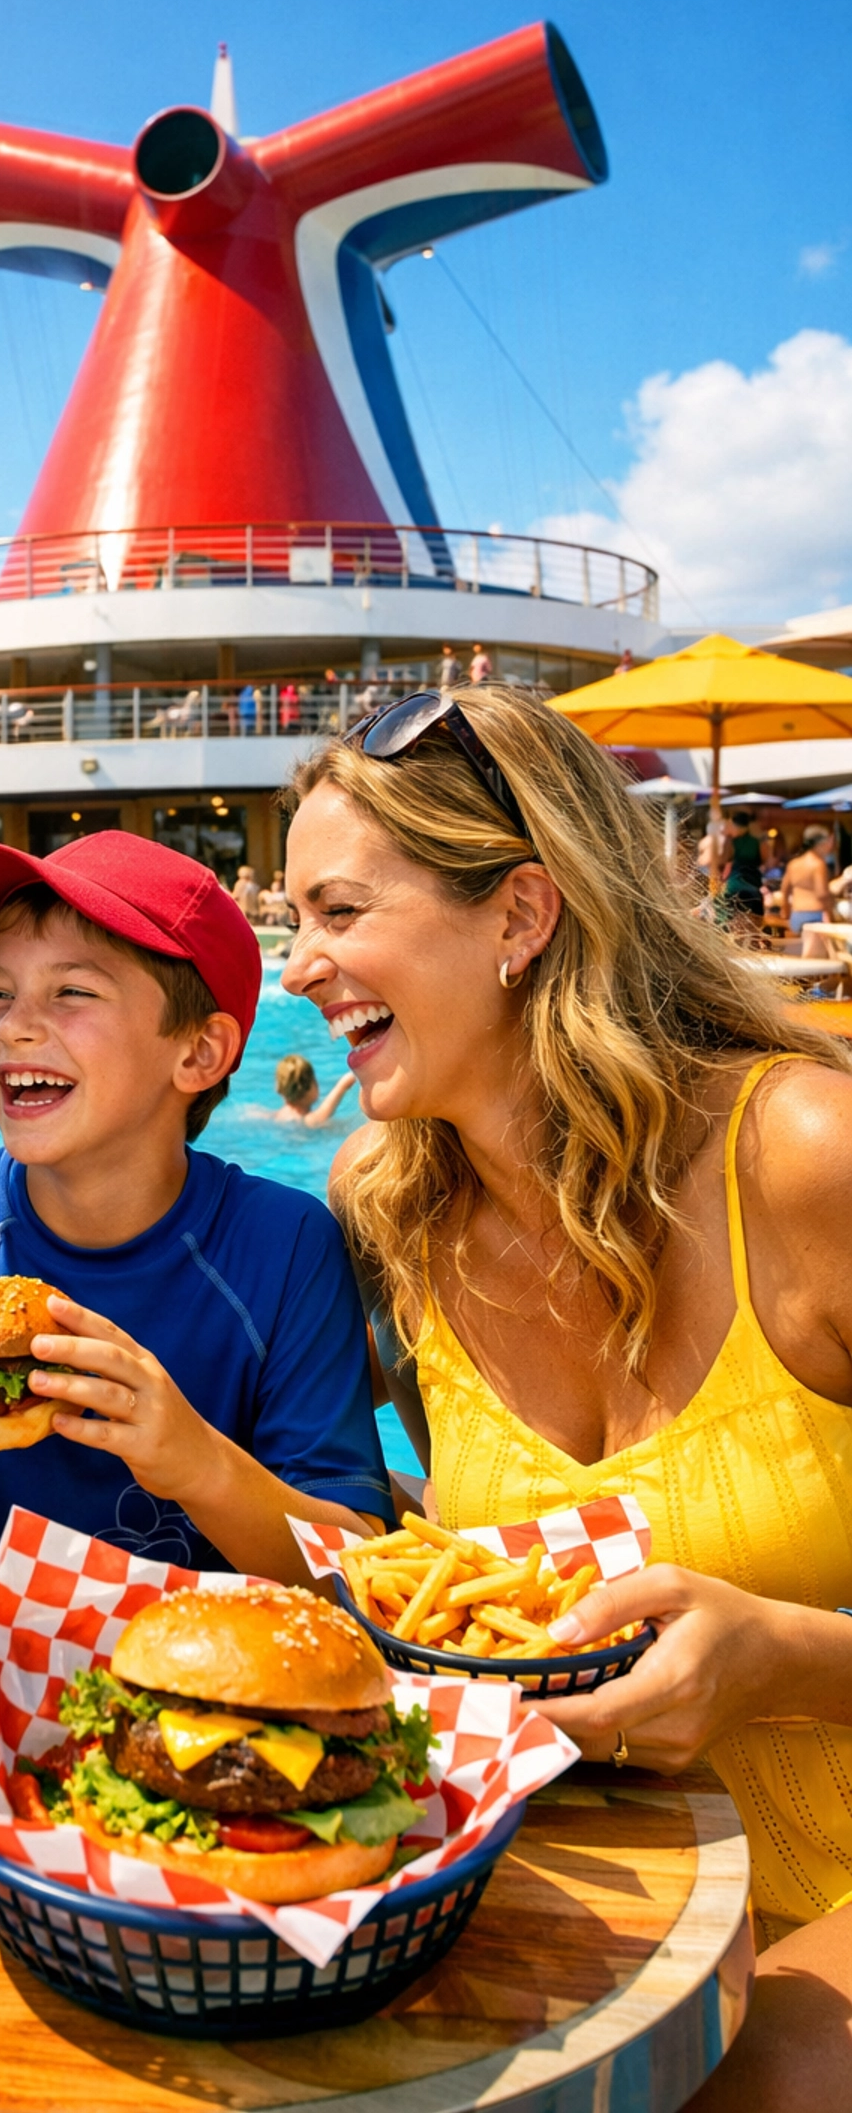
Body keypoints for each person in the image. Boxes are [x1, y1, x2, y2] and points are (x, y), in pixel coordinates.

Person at [278, 683, 852, 2064]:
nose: (297, 967)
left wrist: (784, 1653)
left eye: (341, 914)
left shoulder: (807, 1155)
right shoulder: (388, 1208)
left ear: (522, 917)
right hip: (574, 1907)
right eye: (295, 917)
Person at [0, 832, 390, 1582]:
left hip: (196, 1672)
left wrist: (198, 1465)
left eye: (72, 992)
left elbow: (354, 1563)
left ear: (199, 1053)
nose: (15, 1026)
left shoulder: (286, 1247)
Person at [782, 826, 836, 953]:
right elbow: (821, 893)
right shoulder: (818, 864)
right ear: (821, 843)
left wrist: (786, 910)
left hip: (796, 917)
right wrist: (831, 911)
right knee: (821, 958)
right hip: (815, 916)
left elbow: (785, 890)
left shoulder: (794, 863)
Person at [272, 1052, 355, 1128]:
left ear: (280, 1089)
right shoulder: (309, 1121)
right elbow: (342, 1085)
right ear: (310, 1087)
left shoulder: (277, 1117)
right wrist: (347, 1081)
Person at [722, 809, 763, 923]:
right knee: (754, 915)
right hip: (753, 883)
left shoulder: (731, 842)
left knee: (730, 914)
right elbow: (760, 861)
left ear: (736, 826)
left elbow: (726, 860)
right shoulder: (755, 842)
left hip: (735, 883)